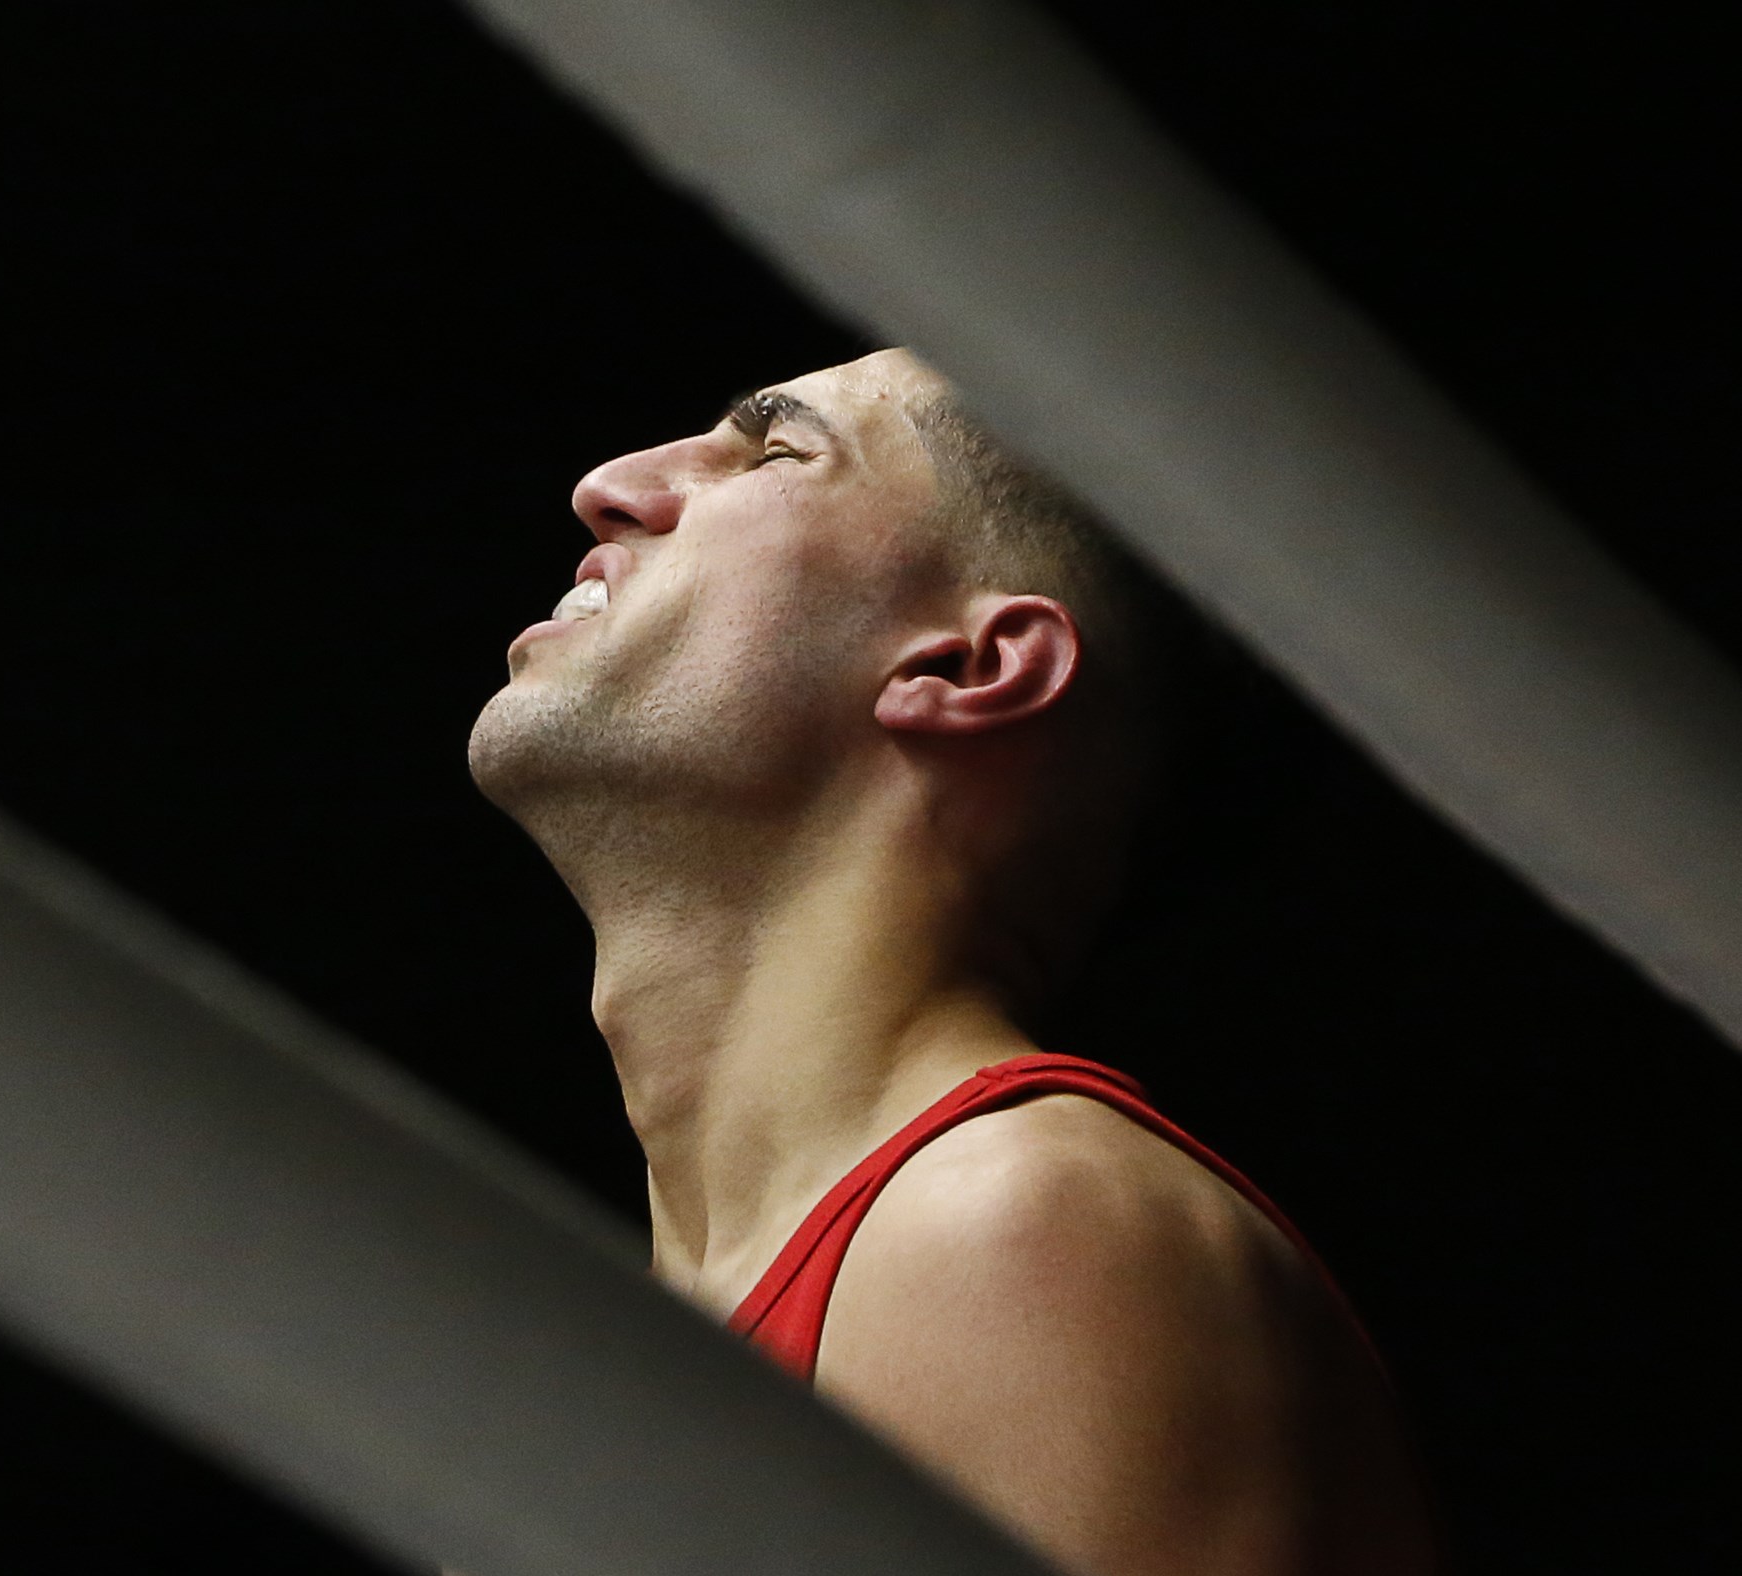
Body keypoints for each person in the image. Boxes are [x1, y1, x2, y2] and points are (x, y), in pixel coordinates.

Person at [467, 349, 1437, 1576]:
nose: (608, 485)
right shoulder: (605, 1386)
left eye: (773, 450)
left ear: (965, 667)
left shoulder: (1022, 1230)